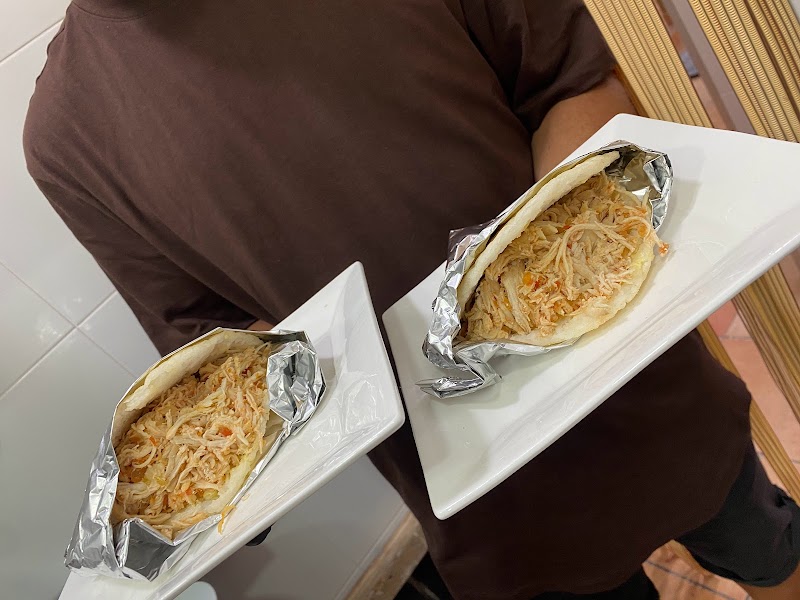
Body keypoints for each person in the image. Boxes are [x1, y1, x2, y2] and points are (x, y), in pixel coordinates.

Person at [23, 1, 800, 598]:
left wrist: (554, 291)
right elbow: (215, 349)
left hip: (646, 388)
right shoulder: (65, 137)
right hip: (478, 502)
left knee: (769, 552)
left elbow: (575, 78)